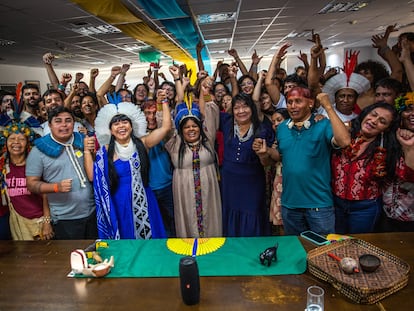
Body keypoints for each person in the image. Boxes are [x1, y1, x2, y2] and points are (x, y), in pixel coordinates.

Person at [253, 87, 350, 236]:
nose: (293, 106)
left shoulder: (322, 124)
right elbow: (281, 155)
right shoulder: (283, 128)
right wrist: (266, 152)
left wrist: (328, 107)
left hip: (318, 205)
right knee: (296, 250)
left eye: (298, 101)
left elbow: (344, 141)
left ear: (310, 103)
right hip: (289, 205)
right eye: (290, 102)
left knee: (322, 252)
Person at [85, 92, 171, 239]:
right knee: (127, 238)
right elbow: (93, 176)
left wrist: (163, 102)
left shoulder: (143, 143)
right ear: (110, 130)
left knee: (151, 237)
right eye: (116, 123)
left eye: (124, 122)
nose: (121, 126)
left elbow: (165, 128)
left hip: (145, 198)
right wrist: (87, 151)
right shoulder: (105, 150)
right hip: (120, 201)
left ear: (131, 126)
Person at [26, 106, 97, 239]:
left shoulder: (83, 140)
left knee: (94, 256)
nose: (64, 125)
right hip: (65, 219)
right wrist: (55, 187)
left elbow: (95, 172)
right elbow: (31, 184)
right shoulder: (39, 150)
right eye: (58, 121)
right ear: (50, 125)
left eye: (68, 120)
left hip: (93, 213)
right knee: (71, 258)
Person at [331, 102, 400, 234]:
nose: (374, 121)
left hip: (365, 208)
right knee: (334, 243)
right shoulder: (345, 133)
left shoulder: (388, 148)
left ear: (386, 129)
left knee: (359, 245)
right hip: (336, 204)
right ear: (365, 114)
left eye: (382, 121)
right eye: (373, 115)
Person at [165, 78, 222, 238]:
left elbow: (209, 114)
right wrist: (177, 86)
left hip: (208, 189)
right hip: (184, 190)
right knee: (187, 222)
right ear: (181, 130)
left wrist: (205, 93)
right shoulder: (174, 144)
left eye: (194, 125)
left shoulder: (208, 140)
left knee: (211, 222)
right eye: (187, 127)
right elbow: (166, 126)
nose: (191, 129)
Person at [220, 93, 275, 237]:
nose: (241, 111)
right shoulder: (226, 123)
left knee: (252, 213)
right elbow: (205, 111)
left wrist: (263, 154)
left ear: (252, 108)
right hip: (229, 183)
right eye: (236, 108)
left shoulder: (262, 129)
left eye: (245, 106)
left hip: (252, 183)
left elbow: (267, 163)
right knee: (230, 213)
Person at [0, 122, 53, 240]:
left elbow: (46, 195)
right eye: (12, 138)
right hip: (17, 224)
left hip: (39, 222)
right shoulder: (3, 166)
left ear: (28, 143)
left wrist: (46, 222)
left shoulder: (35, 164)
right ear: (6, 142)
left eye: (21, 139)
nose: (16, 142)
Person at [378, 93, 414, 232]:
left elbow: (409, 175)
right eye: (408, 109)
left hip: (410, 217)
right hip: (386, 214)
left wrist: (408, 147)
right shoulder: (389, 138)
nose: (412, 114)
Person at [142, 99, 176, 237]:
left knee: (173, 222)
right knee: (155, 225)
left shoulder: (164, 133)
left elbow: (168, 127)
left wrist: (164, 102)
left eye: (154, 113)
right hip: (148, 188)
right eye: (147, 113)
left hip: (167, 186)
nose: (151, 117)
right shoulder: (137, 134)